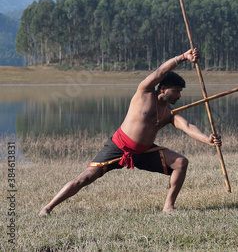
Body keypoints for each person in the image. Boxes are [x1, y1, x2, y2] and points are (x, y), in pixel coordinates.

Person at [39, 48, 221, 216]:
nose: (179, 96)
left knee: (181, 163)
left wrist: (208, 139)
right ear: (163, 88)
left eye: (180, 92)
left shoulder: (169, 113)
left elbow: (188, 127)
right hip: (117, 147)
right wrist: (183, 57)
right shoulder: (144, 92)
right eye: (176, 91)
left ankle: (168, 207)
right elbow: (160, 72)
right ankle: (48, 207)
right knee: (85, 178)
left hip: (144, 152)